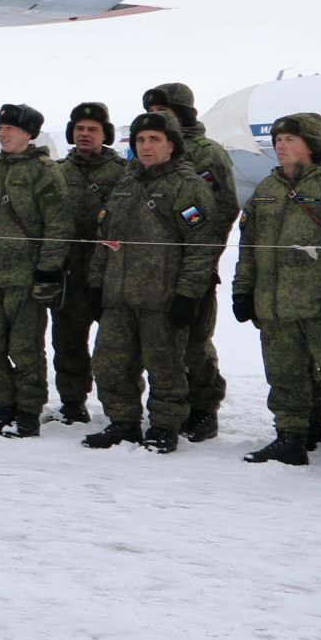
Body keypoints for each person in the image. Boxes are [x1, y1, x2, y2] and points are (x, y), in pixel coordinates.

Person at [83, 111, 215, 453]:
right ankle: (123, 422)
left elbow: (201, 248)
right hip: (118, 296)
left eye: (154, 139)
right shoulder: (125, 185)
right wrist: (96, 284)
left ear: (171, 145)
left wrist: (188, 294)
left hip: (163, 298)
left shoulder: (188, 186)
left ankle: (164, 426)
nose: (146, 146)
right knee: (110, 364)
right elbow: (105, 239)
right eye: (140, 140)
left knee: (166, 366)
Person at [232, 112, 321, 475]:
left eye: (290, 139)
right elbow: (248, 245)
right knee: (284, 375)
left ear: (312, 145)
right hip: (276, 306)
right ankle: (291, 437)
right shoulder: (267, 189)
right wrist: (243, 290)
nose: (280, 145)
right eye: (278, 139)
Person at [0, 103, 71, 437]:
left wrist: (48, 271)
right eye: (0, 128)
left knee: (24, 350)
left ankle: (28, 412)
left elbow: (58, 225)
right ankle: (4, 406)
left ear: (29, 134)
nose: (3, 134)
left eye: (11, 129)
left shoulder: (44, 171)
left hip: (25, 280)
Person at [141, 82, 240, 440]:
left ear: (182, 113)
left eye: (162, 112)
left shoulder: (206, 153)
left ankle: (203, 407)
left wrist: (205, 260)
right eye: (151, 112)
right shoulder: (145, 148)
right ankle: (172, 406)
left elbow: (224, 207)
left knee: (195, 341)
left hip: (194, 265)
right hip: (152, 268)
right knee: (161, 342)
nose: (155, 118)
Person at [52, 101, 127, 425]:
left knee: (115, 350)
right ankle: (72, 404)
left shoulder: (122, 173)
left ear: (104, 134)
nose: (85, 134)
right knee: (67, 344)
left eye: (92, 130)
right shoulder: (58, 172)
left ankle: (121, 411)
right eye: (79, 129)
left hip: (109, 276)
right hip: (69, 273)